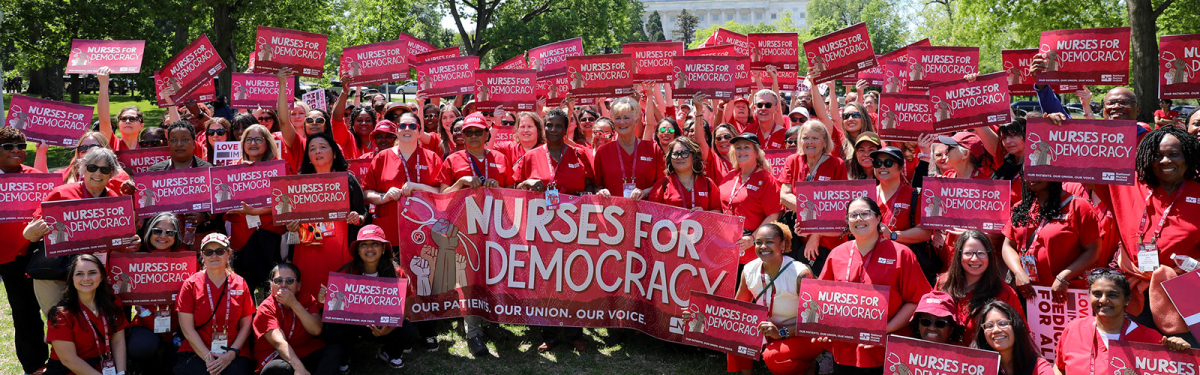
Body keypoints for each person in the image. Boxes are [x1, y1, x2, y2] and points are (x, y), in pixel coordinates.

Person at [1091, 126, 1200, 339]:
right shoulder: (1127, 182)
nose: (1165, 161)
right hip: (1134, 291)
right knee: (1139, 359)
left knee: (1186, 359)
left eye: (1174, 154)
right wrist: (1057, 123)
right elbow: (1075, 164)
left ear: (1188, 156)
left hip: (1186, 291)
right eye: (1156, 155)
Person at [818, 197, 931, 372]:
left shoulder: (902, 254)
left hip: (886, 350)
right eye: (853, 215)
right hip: (844, 351)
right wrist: (823, 327)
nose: (858, 219)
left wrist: (884, 330)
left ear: (878, 218)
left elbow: (916, 300)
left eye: (865, 213)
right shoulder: (837, 254)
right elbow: (822, 300)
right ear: (847, 221)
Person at [25, 148, 137, 314]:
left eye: (105, 169)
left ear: (112, 173)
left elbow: (119, 243)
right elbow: (29, 234)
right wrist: (33, 231)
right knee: (60, 323)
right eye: (92, 167)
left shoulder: (115, 201)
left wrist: (132, 243)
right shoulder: (61, 193)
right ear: (83, 168)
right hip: (56, 274)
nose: (98, 173)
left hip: (91, 276)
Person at [716, 222, 821, 374]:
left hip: (803, 334)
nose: (763, 246)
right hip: (769, 332)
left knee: (773, 357)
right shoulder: (749, 270)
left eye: (770, 242)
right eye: (758, 242)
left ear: (783, 245)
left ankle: (808, 367)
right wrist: (697, 315)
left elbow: (815, 320)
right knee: (736, 329)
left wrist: (782, 332)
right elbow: (738, 311)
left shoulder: (800, 274)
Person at [1054, 270, 1191, 374]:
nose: (1103, 300)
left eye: (1112, 295)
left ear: (1127, 300)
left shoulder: (1152, 339)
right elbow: (1059, 368)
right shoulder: (1074, 329)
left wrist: (1183, 356)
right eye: (1097, 294)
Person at [324, 225, 419, 371]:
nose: (369, 249)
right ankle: (343, 356)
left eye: (375, 244)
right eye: (364, 245)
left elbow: (403, 311)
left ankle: (390, 354)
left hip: (384, 325)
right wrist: (326, 300)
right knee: (333, 328)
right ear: (358, 250)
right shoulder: (347, 272)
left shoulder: (397, 273)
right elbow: (335, 310)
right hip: (353, 326)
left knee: (408, 330)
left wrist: (388, 329)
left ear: (383, 249)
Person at [289, 132, 367, 300]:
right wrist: (290, 226)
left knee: (339, 298)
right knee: (309, 297)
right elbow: (287, 221)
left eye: (323, 147)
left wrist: (358, 218)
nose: (317, 151)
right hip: (307, 250)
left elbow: (363, 214)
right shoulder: (297, 184)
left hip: (339, 249)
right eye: (312, 149)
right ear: (308, 156)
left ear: (334, 153)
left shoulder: (347, 179)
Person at [0, 127, 50, 375]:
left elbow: (46, 210)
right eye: (8, 146)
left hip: (32, 254)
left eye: (21, 146)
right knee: (23, 311)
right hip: (5, 257)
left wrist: (32, 232)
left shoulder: (35, 178)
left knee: (42, 309)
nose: (16, 151)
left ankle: (50, 362)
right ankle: (35, 364)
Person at [1002, 178, 1100, 300]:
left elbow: (1093, 250)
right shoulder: (1020, 208)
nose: (1031, 177)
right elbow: (1008, 245)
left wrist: (1064, 277)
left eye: (1037, 171)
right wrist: (1018, 272)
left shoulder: (1078, 206)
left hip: (1065, 293)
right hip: (1027, 292)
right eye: (1027, 172)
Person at [174, 233, 254, 375]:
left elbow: (246, 324)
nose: (214, 256)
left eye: (220, 251)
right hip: (197, 349)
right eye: (208, 252)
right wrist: (208, 357)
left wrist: (231, 354)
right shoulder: (190, 284)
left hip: (233, 349)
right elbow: (187, 328)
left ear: (229, 254)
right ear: (202, 255)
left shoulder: (240, 282)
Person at [363, 111, 442, 248]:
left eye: (412, 126)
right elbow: (367, 192)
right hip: (391, 231)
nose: (407, 129)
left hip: (425, 231)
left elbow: (443, 192)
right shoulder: (382, 157)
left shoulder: (432, 158)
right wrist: (384, 197)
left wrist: (419, 187)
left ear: (419, 132)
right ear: (397, 131)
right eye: (402, 126)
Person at [225, 124, 286, 295]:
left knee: (272, 289)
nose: (253, 143)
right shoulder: (232, 169)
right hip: (243, 238)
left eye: (258, 139)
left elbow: (286, 205)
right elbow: (224, 207)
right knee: (246, 290)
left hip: (271, 235)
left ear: (268, 143)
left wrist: (257, 212)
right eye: (248, 140)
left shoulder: (279, 168)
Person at [780, 120, 847, 273]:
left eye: (815, 138)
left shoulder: (837, 164)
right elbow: (784, 196)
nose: (810, 142)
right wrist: (809, 217)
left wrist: (814, 233)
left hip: (829, 239)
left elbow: (838, 207)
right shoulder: (792, 161)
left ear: (824, 142)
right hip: (799, 237)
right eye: (805, 138)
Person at [44, 254, 128, 375]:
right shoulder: (61, 314)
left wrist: (121, 373)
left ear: (102, 276)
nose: (86, 278)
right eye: (79, 274)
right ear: (72, 279)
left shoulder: (113, 302)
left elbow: (118, 341)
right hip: (70, 371)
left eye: (92, 272)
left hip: (102, 366)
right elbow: (69, 360)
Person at [125, 213, 186, 374]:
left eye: (170, 233)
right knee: (141, 347)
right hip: (145, 324)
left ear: (177, 235)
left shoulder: (187, 260)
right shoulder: (135, 260)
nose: (163, 236)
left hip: (180, 326)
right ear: (149, 233)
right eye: (157, 231)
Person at [938, 230, 1023, 345]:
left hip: (983, 360)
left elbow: (1021, 335)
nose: (974, 259)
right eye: (968, 253)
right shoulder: (943, 283)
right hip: (945, 359)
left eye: (981, 253)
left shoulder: (1004, 293)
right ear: (959, 255)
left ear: (990, 256)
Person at [253, 263, 338, 375]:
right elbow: (279, 343)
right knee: (277, 368)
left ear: (298, 285)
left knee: (334, 351)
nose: (283, 285)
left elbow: (316, 330)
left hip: (305, 352)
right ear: (271, 285)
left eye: (289, 281)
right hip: (279, 356)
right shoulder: (266, 308)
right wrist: (299, 368)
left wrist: (294, 304)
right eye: (278, 281)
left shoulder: (306, 298)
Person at [870, 146, 935, 282]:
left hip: (903, 266)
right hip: (871, 264)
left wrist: (893, 235)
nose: (882, 167)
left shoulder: (915, 195)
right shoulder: (866, 195)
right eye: (877, 163)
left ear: (900, 168)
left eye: (888, 163)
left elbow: (925, 233)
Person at [720, 133, 782, 266]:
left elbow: (774, 214)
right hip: (727, 249)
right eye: (738, 148)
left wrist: (753, 238)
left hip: (753, 253)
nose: (741, 151)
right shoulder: (729, 176)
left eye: (746, 147)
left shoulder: (767, 179)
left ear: (757, 152)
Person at [593, 97, 663, 200]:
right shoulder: (603, 152)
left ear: (636, 121)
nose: (622, 122)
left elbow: (663, 183)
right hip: (614, 212)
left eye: (626, 117)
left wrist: (645, 192)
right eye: (618, 118)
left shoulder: (653, 149)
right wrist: (601, 191)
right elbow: (596, 185)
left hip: (646, 213)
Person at [515, 109, 596, 198]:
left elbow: (590, 184)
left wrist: (586, 195)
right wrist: (526, 184)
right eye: (549, 125)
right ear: (544, 129)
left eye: (558, 126)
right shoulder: (530, 156)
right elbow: (516, 188)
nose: (553, 129)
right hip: (539, 210)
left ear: (565, 130)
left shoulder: (579, 153)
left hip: (573, 210)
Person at [971, 301, 1054, 375]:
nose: (996, 330)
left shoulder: (1038, 366)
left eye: (1003, 323)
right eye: (989, 325)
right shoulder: (974, 367)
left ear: (1016, 327)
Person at [438, 113, 513, 194]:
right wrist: (460, 183)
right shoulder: (451, 160)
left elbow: (513, 194)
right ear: (463, 136)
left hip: (495, 206)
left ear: (487, 135)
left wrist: (497, 188)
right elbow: (442, 195)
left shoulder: (501, 158)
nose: (473, 136)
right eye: (469, 132)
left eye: (478, 132)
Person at [647, 137, 722, 212]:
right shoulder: (662, 184)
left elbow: (718, 211)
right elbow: (652, 212)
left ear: (694, 156)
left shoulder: (708, 183)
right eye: (675, 154)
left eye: (684, 153)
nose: (679, 157)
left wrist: (703, 214)